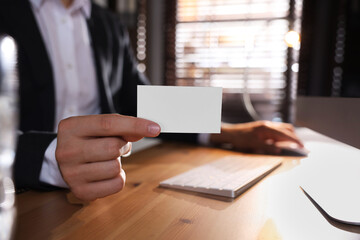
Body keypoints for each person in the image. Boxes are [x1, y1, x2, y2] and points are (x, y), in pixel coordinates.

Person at [0, 0, 303, 201]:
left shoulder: (108, 24)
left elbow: (142, 101)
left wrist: (229, 132)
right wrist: (49, 157)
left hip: (101, 195)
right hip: (17, 194)